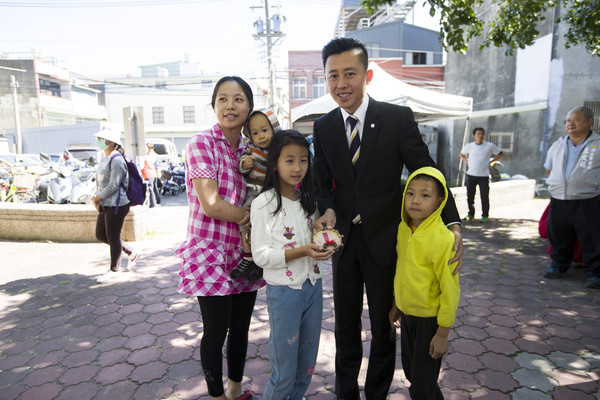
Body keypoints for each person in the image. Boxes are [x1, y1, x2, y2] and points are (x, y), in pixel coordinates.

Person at [312, 37, 463, 400]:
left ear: (368, 75)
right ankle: (345, 391)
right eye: (333, 76)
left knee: (384, 326)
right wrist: (327, 207)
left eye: (349, 73)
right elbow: (321, 182)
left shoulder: (396, 119)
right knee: (345, 327)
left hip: (386, 240)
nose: (341, 83)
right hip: (345, 243)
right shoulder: (323, 126)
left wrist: (453, 223)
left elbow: (427, 170)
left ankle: (377, 391)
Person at [174, 76, 264, 400]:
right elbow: (210, 204)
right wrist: (251, 218)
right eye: (223, 99)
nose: (230, 106)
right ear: (214, 106)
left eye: (238, 99)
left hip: (244, 252)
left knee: (241, 329)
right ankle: (215, 397)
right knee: (216, 332)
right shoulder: (201, 144)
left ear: (249, 107)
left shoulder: (251, 150)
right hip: (210, 251)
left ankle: (236, 390)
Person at [251, 130, 335, 400]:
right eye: (289, 160)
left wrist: (325, 240)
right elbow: (260, 255)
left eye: (303, 160)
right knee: (284, 372)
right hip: (284, 292)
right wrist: (300, 251)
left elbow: (314, 241)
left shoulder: (309, 202)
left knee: (306, 368)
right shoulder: (265, 202)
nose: (298, 168)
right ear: (274, 162)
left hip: (313, 287)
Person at [389, 166, 460, 399]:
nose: (415, 201)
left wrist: (443, 333)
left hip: (430, 322)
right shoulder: (402, 229)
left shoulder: (443, 239)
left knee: (422, 381)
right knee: (413, 375)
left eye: (425, 195)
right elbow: (403, 271)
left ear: (440, 201)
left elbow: (450, 290)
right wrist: (397, 304)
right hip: (408, 317)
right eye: (410, 193)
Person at [542, 106, 600, 289]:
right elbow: (549, 168)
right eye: (568, 120)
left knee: (592, 237)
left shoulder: (597, 144)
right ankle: (559, 266)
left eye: (575, 119)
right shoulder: (558, 145)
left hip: (588, 199)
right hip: (559, 199)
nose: (570, 123)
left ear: (589, 121)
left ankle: (595, 273)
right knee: (558, 234)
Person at [230, 108, 281, 281]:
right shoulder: (251, 149)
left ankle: (262, 261)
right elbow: (241, 166)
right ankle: (248, 256)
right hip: (255, 192)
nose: (261, 136)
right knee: (245, 221)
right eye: (255, 133)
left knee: (272, 226)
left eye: (265, 130)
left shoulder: (279, 149)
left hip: (275, 193)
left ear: (275, 128)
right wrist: (246, 163)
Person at [91, 128, 139, 284]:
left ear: (110, 142)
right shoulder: (106, 158)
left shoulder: (117, 160)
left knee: (112, 236)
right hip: (106, 203)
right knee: (101, 235)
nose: (98, 141)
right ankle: (131, 251)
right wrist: (97, 199)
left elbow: (113, 186)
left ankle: (114, 270)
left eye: (100, 138)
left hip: (117, 204)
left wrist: (96, 198)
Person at [459, 127, 504, 222]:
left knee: (484, 196)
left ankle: (485, 215)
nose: (480, 136)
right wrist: (467, 161)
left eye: (482, 134)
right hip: (471, 174)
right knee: (470, 196)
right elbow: (461, 154)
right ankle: (471, 214)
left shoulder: (489, 146)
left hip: (483, 175)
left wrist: (492, 161)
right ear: (474, 135)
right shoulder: (469, 146)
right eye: (478, 134)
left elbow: (500, 153)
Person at [141, 142, 161, 208]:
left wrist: (158, 172)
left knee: (152, 188)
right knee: (154, 188)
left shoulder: (154, 155)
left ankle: (154, 203)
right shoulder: (146, 155)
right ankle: (157, 202)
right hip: (152, 173)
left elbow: (156, 165)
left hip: (150, 173)